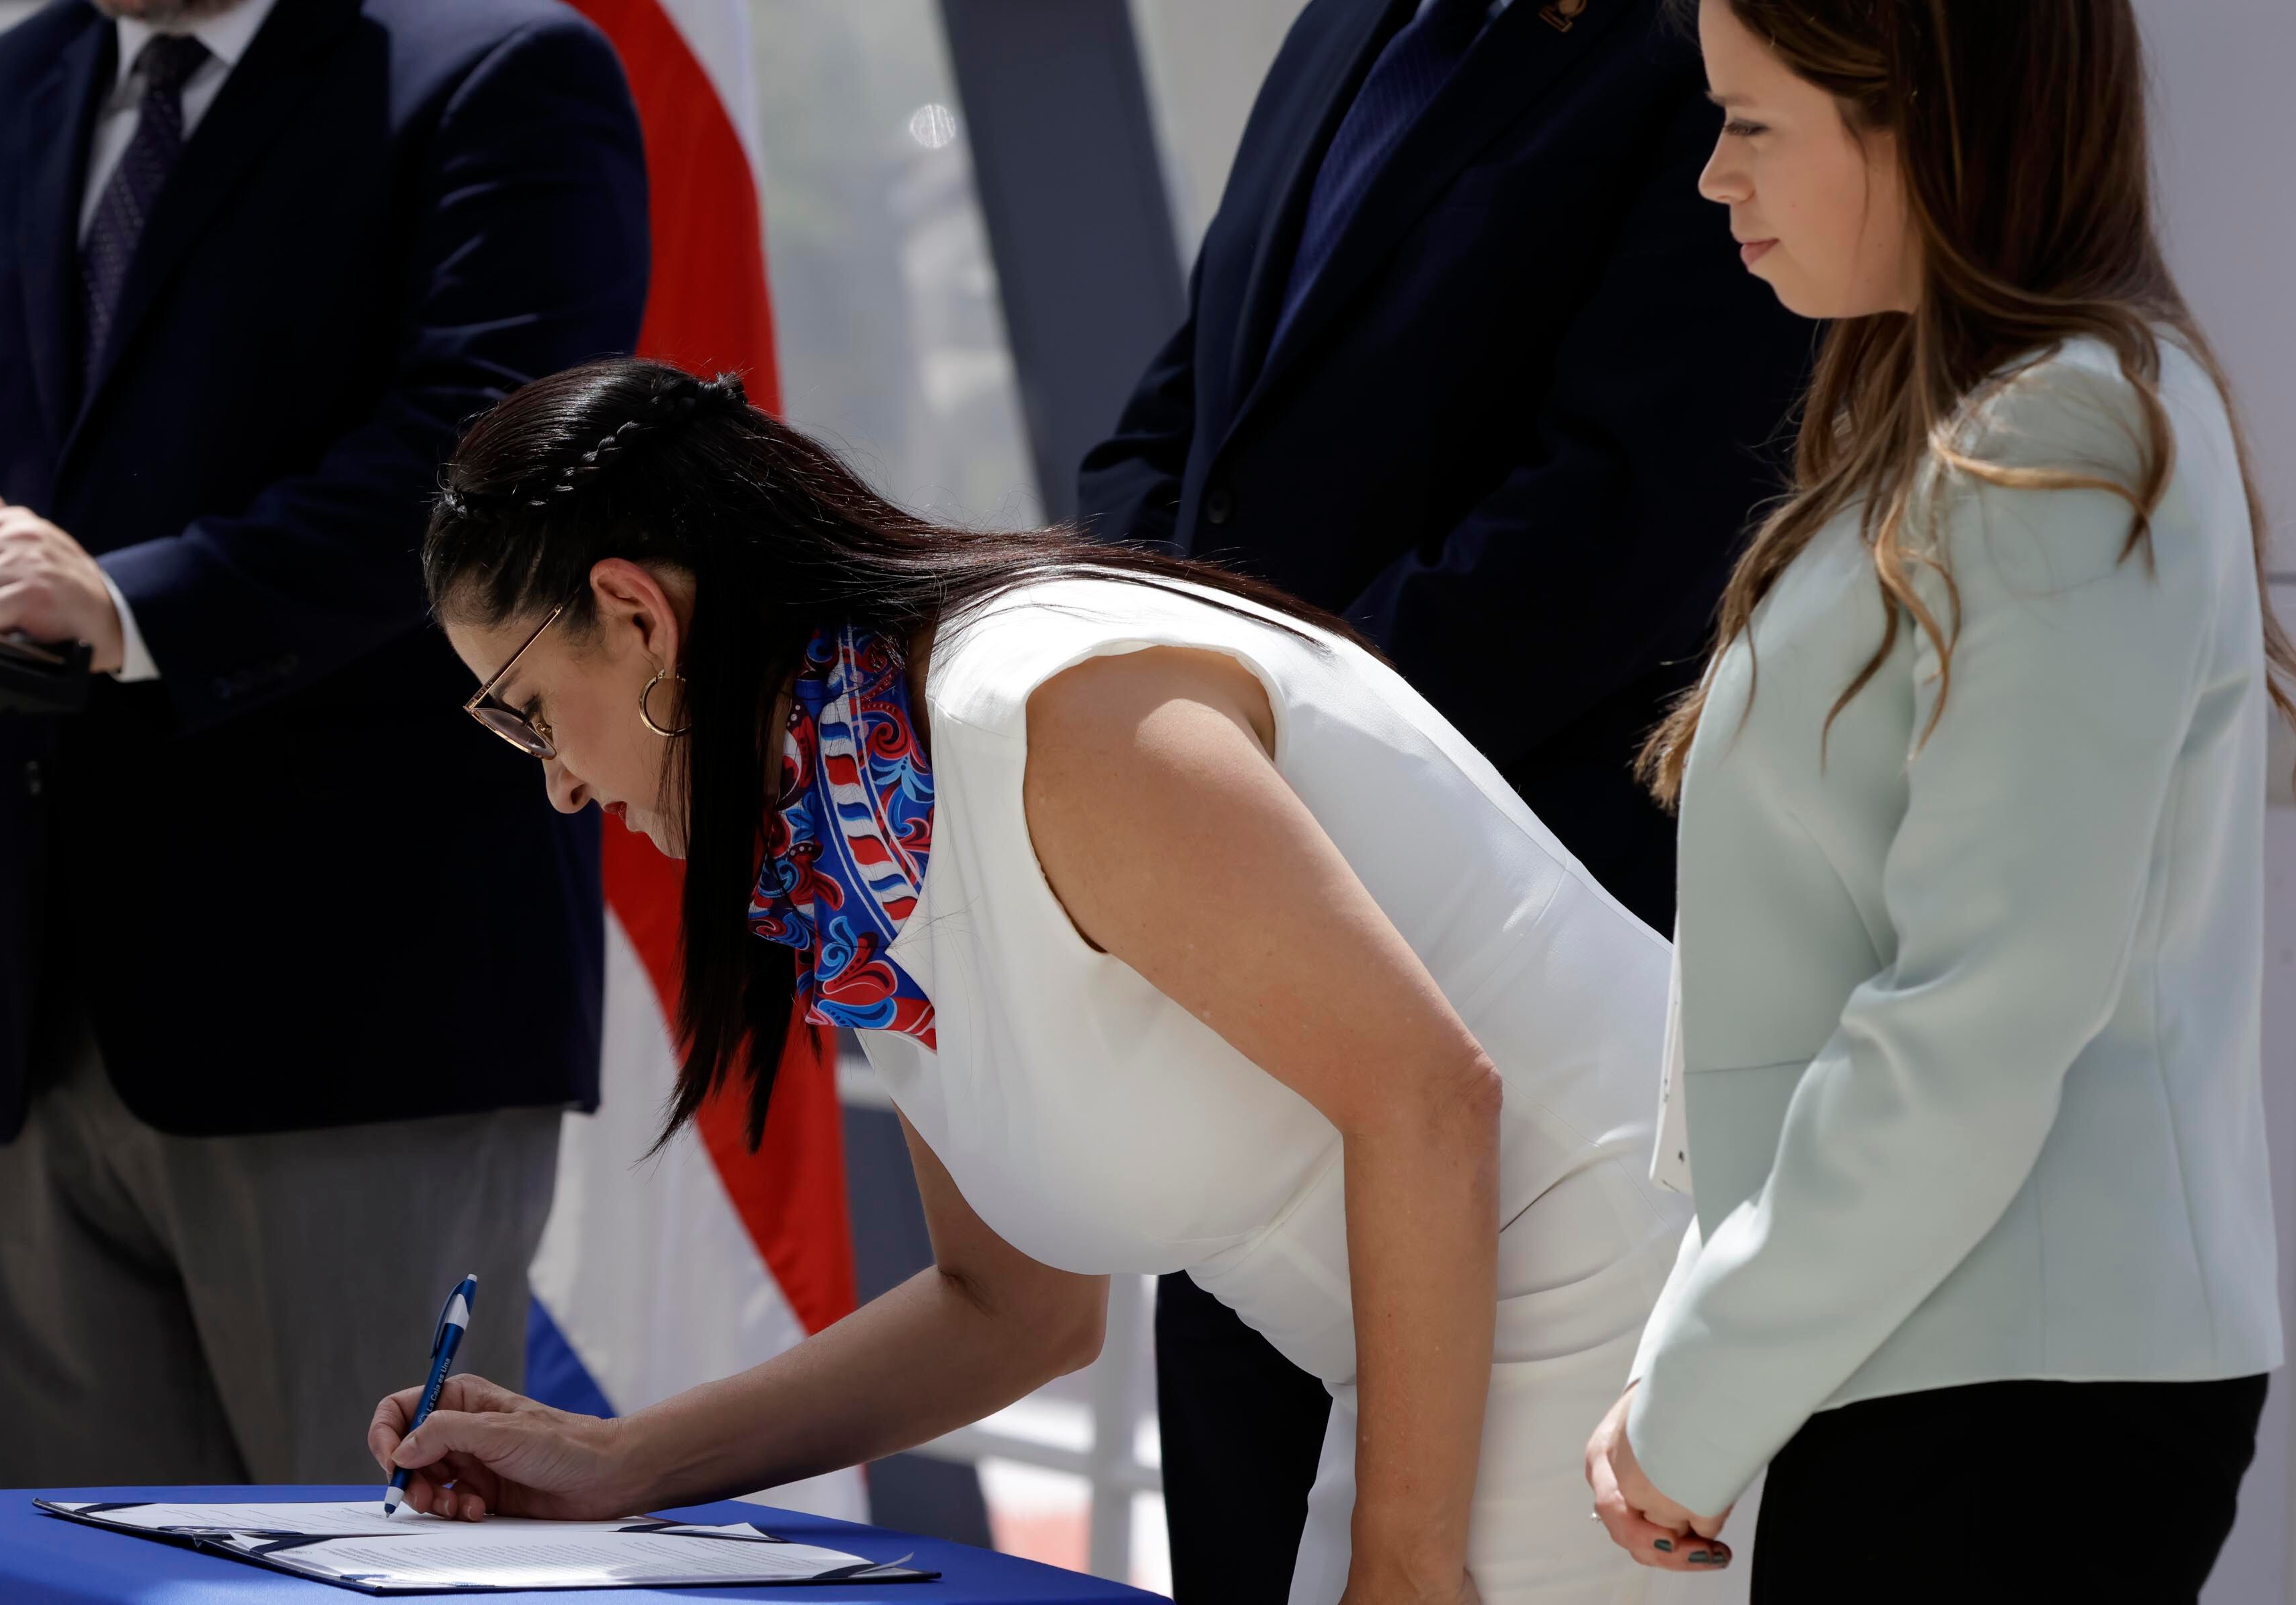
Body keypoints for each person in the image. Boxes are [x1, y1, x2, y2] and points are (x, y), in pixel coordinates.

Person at [364, 359, 1702, 1601]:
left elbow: (1427, 1097)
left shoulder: (1048, 708)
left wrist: (1403, 1573)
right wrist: (625, 1461)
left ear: (636, 610)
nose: (555, 783)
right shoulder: (843, 835)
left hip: (1634, 1345)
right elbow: (1012, 1311)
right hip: (1465, 1373)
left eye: (528, 711)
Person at [1075, 1, 1813, 1585]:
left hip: (1513, 927)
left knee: (1465, 1532)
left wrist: (1270, 732)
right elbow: (1192, 405)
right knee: (1240, 1497)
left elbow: (1624, 516)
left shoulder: (1693, 54)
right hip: (1249, 931)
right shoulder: (1353, 24)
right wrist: (1127, 662)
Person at [1583, 1, 2293, 1598]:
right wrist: (1707, 1364)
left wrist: (1697, 1392)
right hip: (1959, 1373)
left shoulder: (2065, 436)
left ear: (1923, 113)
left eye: (1753, 123)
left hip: (2014, 1399)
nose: (1713, 176)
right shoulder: (1986, 424)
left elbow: (1971, 1017)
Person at [0, 0, 649, 1483]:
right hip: (37, 1010)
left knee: (372, 1557)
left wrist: (129, 603)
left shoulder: (501, 71)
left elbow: (489, 463)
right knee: (77, 1582)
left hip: (358, 1014)